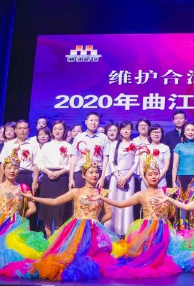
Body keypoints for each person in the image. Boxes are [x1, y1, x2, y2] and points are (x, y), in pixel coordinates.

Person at [19, 151, 117, 281]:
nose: (94, 175)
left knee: (95, 259)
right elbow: (55, 201)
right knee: (72, 257)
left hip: (94, 229)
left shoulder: (102, 193)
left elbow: (109, 214)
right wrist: (33, 198)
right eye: (91, 172)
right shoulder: (76, 191)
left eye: (96, 172)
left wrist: (97, 223)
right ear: (83, 175)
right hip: (77, 229)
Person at [93, 148, 191, 278]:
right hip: (148, 230)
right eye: (150, 174)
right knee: (146, 259)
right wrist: (102, 198)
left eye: (156, 173)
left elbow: (181, 207)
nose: (153, 176)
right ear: (145, 176)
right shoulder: (141, 194)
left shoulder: (167, 192)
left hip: (164, 229)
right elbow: (121, 204)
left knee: (166, 258)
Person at [34, 120, 71, 238]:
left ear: (64, 131)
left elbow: (71, 164)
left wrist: (59, 172)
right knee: (47, 211)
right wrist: (48, 172)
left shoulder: (68, 146)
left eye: (60, 129)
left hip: (62, 179)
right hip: (47, 179)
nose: (57, 131)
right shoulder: (46, 145)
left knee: (60, 211)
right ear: (52, 131)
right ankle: (49, 238)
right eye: (55, 129)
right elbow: (39, 162)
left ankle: (57, 240)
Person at [106, 120, 139, 236]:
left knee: (127, 204)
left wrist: (126, 177)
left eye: (128, 129)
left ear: (131, 131)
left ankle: (126, 232)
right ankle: (111, 232)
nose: (126, 131)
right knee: (113, 203)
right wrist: (118, 176)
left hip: (129, 177)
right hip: (116, 176)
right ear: (120, 130)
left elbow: (136, 162)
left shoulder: (135, 144)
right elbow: (111, 161)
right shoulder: (114, 144)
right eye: (123, 128)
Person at [171, 121, 194, 231]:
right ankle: (181, 231)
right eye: (188, 130)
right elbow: (175, 165)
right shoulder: (178, 146)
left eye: (193, 130)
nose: (190, 132)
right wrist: (173, 182)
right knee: (181, 205)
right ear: (184, 132)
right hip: (181, 179)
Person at [69, 112, 109, 189]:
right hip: (80, 172)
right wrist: (71, 178)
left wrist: (102, 177)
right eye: (91, 120)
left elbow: (106, 158)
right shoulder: (79, 137)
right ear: (86, 122)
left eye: (96, 120)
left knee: (95, 196)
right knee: (79, 196)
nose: (93, 123)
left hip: (96, 173)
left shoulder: (103, 137)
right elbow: (74, 157)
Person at [139, 124, 170, 190]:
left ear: (162, 134)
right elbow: (141, 166)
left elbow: (166, 166)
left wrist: (157, 179)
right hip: (146, 181)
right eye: (153, 132)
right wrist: (145, 180)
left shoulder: (165, 148)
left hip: (160, 180)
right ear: (149, 134)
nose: (156, 134)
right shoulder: (144, 148)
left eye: (158, 132)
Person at [164, 110, 187, 186]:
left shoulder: (190, 135)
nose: (178, 120)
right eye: (176, 118)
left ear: (185, 120)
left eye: (181, 118)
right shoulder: (168, 135)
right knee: (171, 191)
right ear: (173, 121)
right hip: (171, 170)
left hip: (187, 170)